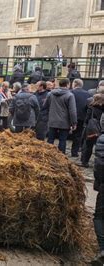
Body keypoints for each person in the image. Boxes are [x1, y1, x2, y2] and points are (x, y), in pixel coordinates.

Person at [44, 78, 77, 154]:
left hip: (52, 120)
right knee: (62, 140)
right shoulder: (70, 95)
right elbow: (72, 111)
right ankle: (61, 156)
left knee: (50, 139)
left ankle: (47, 154)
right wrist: (74, 123)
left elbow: (45, 106)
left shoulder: (50, 94)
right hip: (64, 122)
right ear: (68, 84)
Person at [91, 114, 104, 266]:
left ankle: (102, 249)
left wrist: (99, 182)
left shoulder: (101, 140)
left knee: (99, 216)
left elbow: (100, 165)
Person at [80, 87, 104, 168]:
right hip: (102, 128)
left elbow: (87, 118)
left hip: (91, 128)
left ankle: (85, 161)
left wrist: (86, 124)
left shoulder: (91, 106)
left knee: (88, 145)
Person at [70, 79, 91, 157]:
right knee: (78, 135)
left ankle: (62, 151)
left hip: (70, 116)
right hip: (82, 117)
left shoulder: (71, 92)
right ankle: (74, 152)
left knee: (64, 134)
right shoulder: (88, 94)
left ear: (75, 84)